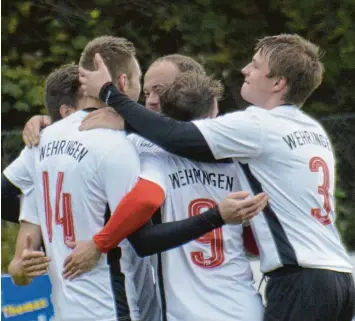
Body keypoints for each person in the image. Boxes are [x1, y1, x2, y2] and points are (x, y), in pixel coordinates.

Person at [78, 34, 355, 321]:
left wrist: (111, 95)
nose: (245, 69)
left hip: (300, 282)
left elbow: (177, 137)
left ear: (278, 83)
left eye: (256, 65)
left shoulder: (258, 125)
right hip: (338, 276)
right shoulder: (311, 130)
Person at [61, 72, 267, 321]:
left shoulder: (148, 150)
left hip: (186, 312)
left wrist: (98, 243)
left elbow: (145, 209)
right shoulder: (243, 157)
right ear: (214, 111)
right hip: (244, 306)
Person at [4, 63, 142, 321]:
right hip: (109, 310)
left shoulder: (43, 147)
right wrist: (21, 268)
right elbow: (18, 267)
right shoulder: (46, 156)